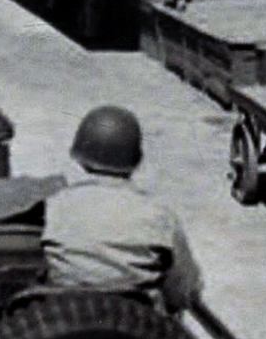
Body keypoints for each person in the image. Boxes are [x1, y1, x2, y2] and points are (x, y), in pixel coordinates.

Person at [43, 106, 203, 313]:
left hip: (63, 323)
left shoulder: (55, 205)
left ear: (81, 157)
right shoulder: (159, 216)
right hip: (139, 329)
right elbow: (184, 290)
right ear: (135, 159)